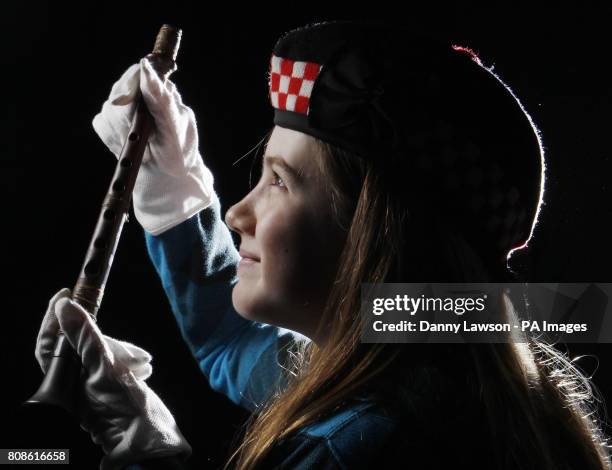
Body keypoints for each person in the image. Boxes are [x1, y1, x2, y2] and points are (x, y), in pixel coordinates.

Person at [35, 20, 611, 470]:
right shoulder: (425, 353)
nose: (237, 211)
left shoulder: (359, 451)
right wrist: (173, 191)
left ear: (373, 237)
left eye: (280, 181)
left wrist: (143, 452)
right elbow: (231, 340)